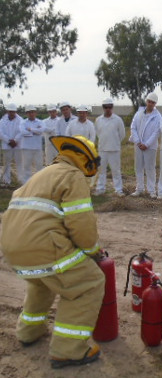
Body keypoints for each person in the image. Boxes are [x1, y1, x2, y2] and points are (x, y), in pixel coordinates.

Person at [0, 135, 105, 368]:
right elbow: (81, 225)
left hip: (12, 246)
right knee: (89, 282)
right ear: (86, 161)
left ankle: (29, 331)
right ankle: (68, 350)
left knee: (43, 281)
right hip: (41, 246)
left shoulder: (43, 174)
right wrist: (93, 252)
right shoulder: (73, 175)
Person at [130, 92, 161, 198]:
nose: (150, 104)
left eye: (153, 102)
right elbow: (133, 127)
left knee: (150, 168)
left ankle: (152, 191)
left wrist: (147, 144)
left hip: (150, 147)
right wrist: (138, 142)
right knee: (138, 167)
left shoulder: (157, 116)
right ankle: (139, 189)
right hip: (138, 145)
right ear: (146, 101)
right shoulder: (139, 113)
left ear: (155, 103)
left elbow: (157, 132)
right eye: (149, 101)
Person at [94, 98, 126, 196]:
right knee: (101, 170)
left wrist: (115, 142)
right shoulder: (98, 120)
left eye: (110, 107)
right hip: (102, 150)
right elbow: (98, 133)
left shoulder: (118, 120)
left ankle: (118, 190)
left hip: (114, 150)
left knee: (116, 171)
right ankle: (100, 189)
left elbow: (122, 134)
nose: (108, 109)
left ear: (112, 107)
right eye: (105, 107)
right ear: (103, 108)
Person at [19, 105, 46, 183]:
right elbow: (23, 132)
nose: (31, 114)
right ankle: (26, 183)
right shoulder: (23, 122)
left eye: (33, 112)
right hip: (26, 147)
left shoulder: (40, 122)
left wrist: (30, 129)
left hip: (37, 148)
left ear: (36, 113)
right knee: (26, 166)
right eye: (29, 112)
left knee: (39, 166)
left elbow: (41, 131)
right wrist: (35, 131)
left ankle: (39, 182)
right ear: (27, 113)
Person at [0, 103, 23, 185]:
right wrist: (9, 141)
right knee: (6, 164)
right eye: (10, 111)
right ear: (7, 111)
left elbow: (21, 131)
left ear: (15, 111)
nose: (11, 113)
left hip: (17, 145)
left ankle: (21, 181)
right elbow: (1, 133)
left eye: (13, 111)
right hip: (7, 145)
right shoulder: (2, 120)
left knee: (19, 163)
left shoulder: (20, 120)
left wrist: (15, 140)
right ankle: (6, 181)